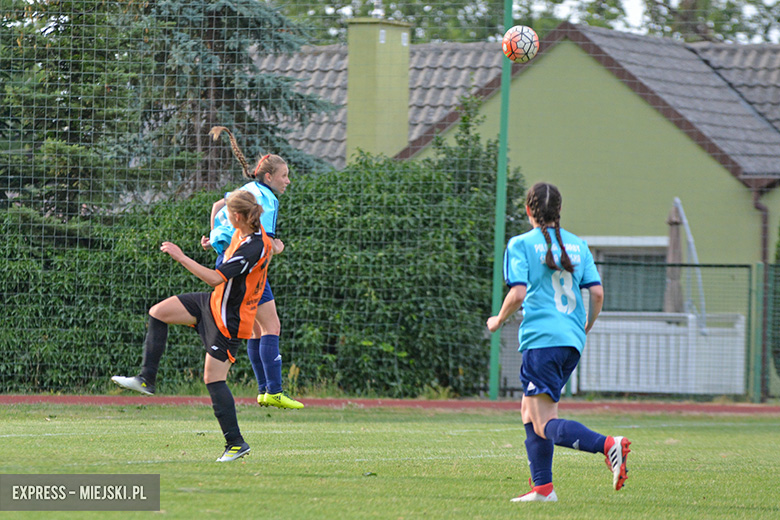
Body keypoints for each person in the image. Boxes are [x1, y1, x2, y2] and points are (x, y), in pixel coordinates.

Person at [487, 182, 630, 502]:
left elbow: (518, 293)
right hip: (571, 342)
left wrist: (497, 320)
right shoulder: (579, 245)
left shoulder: (521, 244)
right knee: (529, 410)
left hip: (542, 342)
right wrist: (587, 325)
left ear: (528, 211)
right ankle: (543, 489)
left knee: (543, 422)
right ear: (559, 211)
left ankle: (607, 445)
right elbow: (597, 293)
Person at [112, 190, 274, 462]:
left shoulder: (253, 247)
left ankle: (235, 444)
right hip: (212, 304)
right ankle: (146, 379)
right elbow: (234, 246)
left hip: (229, 320)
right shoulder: (245, 234)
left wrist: (180, 256)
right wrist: (213, 243)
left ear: (237, 216)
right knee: (159, 312)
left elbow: (215, 278)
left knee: (213, 379)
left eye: (228, 215)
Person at [201, 126, 303, 410]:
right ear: (269, 176)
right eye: (284, 176)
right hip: (248, 269)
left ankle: (264, 391)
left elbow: (217, 205)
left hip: (231, 260)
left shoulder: (248, 189)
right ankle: (274, 390)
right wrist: (278, 247)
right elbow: (265, 244)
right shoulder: (267, 200)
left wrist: (217, 240)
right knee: (271, 326)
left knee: (259, 329)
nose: (288, 181)